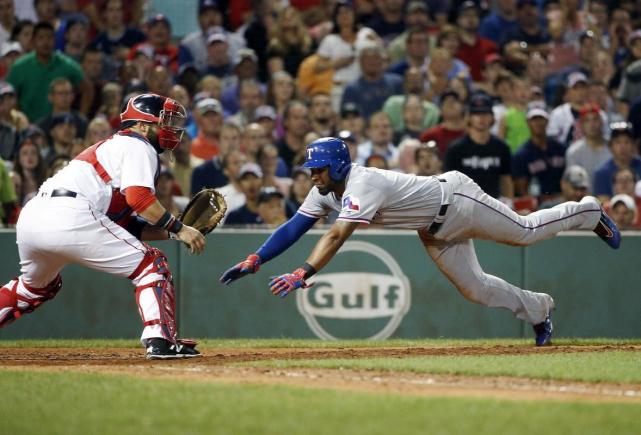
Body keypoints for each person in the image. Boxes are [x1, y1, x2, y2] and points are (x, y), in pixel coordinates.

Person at [220, 136, 621, 347]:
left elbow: (339, 233)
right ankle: (537, 310)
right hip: (433, 229)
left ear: (338, 165)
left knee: (526, 232)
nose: (313, 175)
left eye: (318, 168)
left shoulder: (362, 181)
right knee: (476, 289)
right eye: (310, 169)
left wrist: (302, 272)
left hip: (458, 201)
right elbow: (294, 226)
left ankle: (587, 210)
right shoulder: (326, 190)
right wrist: (257, 258)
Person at [0, 93, 205, 359]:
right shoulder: (137, 145)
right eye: (164, 122)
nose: (172, 130)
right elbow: (140, 199)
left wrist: (173, 232)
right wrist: (180, 228)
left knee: (33, 287)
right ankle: (160, 340)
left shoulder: (115, 148)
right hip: (70, 215)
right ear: (142, 125)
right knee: (153, 266)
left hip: (34, 215)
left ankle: (161, 339)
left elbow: (125, 224)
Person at [445, 93, 514, 199]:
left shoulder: (502, 147)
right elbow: (449, 184)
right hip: (465, 206)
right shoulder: (456, 149)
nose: (481, 118)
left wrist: (509, 202)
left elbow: (506, 179)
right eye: (476, 113)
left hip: (495, 205)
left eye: (485, 113)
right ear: (469, 117)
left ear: (492, 116)